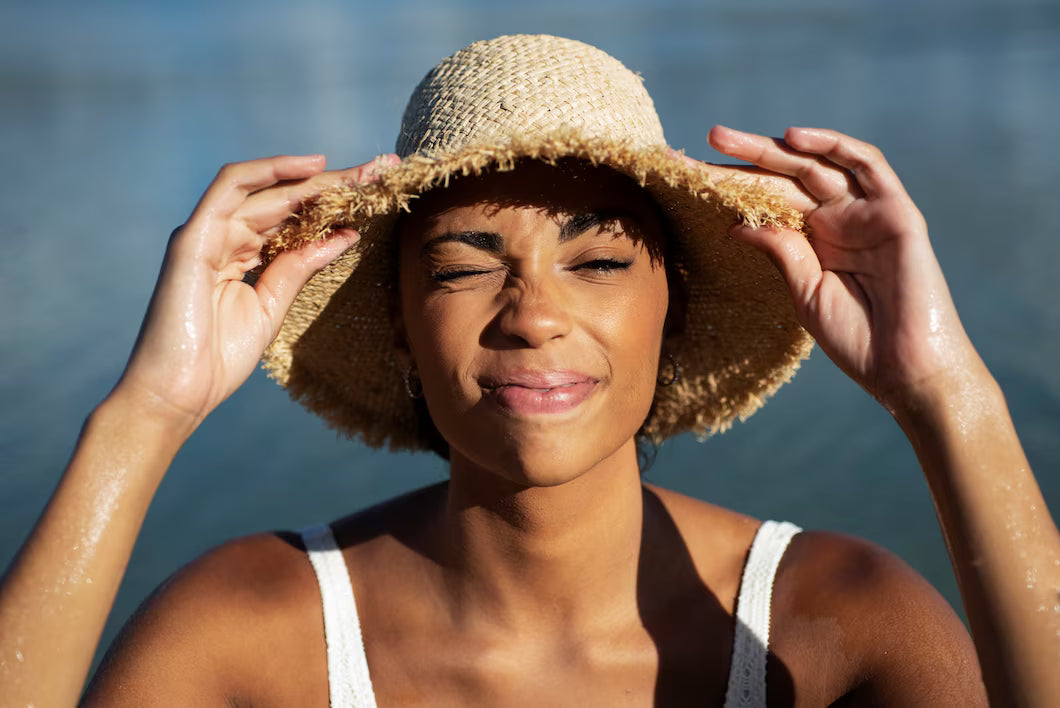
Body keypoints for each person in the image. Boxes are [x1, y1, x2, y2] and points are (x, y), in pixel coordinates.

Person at [1, 34, 1056, 707]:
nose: (534, 315)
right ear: (402, 322)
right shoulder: (252, 635)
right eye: (463, 269)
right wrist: (145, 414)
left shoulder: (831, 621)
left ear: (670, 309)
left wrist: (944, 397)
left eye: (597, 262)